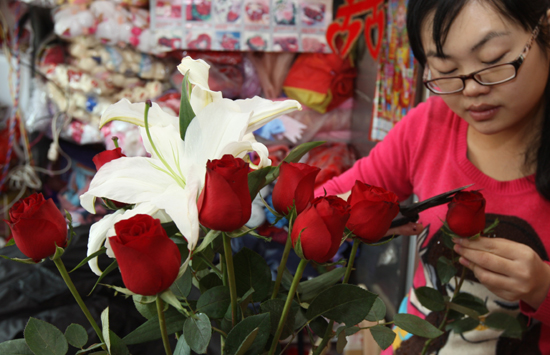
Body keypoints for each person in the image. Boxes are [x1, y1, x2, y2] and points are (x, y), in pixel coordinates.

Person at [317, 0, 550, 353]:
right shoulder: (430, 127)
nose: (471, 89)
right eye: (445, 69)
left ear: (544, 28)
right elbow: (325, 204)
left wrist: (542, 286)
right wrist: (360, 219)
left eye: (493, 60)